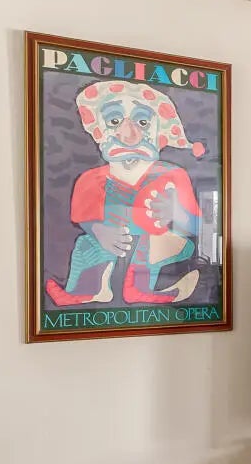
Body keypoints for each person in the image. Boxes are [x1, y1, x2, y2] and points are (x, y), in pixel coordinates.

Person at [43, 80, 204, 307]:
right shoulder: (91, 180)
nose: (129, 134)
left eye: (143, 122)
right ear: (100, 129)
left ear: (159, 131)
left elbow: (199, 227)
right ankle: (85, 291)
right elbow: (84, 218)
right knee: (86, 245)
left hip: (160, 244)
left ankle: (144, 288)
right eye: (115, 121)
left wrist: (177, 214)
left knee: (157, 241)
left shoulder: (173, 176)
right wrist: (99, 231)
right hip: (113, 245)